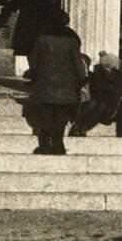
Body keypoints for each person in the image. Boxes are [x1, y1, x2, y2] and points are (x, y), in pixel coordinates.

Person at [24, 10, 86, 155]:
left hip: (45, 82)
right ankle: (58, 144)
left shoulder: (42, 37)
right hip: (66, 83)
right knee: (61, 116)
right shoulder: (72, 39)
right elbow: (77, 62)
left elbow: (33, 58)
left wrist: (35, 73)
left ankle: (45, 145)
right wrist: (82, 79)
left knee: (46, 115)